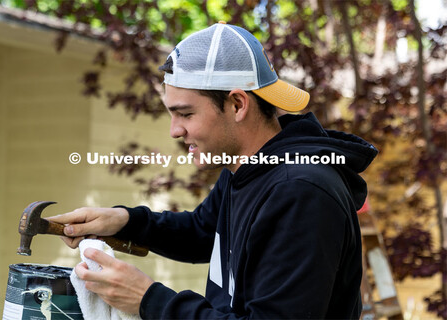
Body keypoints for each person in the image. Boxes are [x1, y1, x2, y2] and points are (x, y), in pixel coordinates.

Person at [49, 22, 378, 319]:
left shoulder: (301, 191)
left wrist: (148, 299)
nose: (174, 131)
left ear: (237, 104)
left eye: (186, 114)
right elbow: (203, 233)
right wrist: (126, 221)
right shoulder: (248, 168)